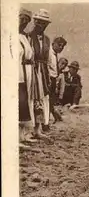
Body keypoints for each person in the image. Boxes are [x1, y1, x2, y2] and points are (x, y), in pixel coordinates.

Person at [30, 9, 52, 137]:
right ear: (35, 22)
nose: (42, 26)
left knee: (43, 98)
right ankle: (32, 127)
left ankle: (42, 126)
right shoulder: (29, 36)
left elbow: (48, 59)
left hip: (42, 70)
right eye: (40, 23)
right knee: (33, 98)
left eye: (45, 24)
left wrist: (47, 75)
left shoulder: (47, 40)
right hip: (32, 69)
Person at [19, 8, 37, 148]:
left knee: (27, 101)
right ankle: (18, 137)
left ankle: (24, 135)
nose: (24, 22)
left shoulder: (24, 36)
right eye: (22, 18)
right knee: (20, 102)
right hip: (19, 71)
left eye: (27, 20)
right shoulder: (12, 36)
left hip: (28, 71)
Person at [48, 36, 66, 122]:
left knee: (50, 101)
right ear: (53, 44)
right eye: (59, 45)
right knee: (47, 101)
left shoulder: (55, 55)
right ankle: (49, 119)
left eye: (62, 46)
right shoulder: (49, 54)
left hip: (53, 79)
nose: (61, 47)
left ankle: (53, 117)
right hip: (48, 79)